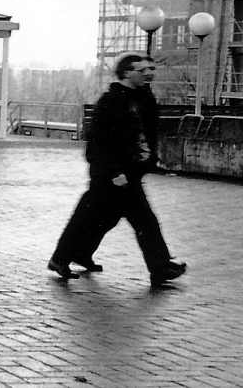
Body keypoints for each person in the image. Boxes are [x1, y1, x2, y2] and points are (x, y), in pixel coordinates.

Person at [48, 53, 188, 287]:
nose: (149, 74)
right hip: (111, 176)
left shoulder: (144, 98)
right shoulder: (110, 102)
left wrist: (150, 159)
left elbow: (147, 132)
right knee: (139, 221)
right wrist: (114, 173)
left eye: (151, 69)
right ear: (126, 73)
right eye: (142, 70)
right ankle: (160, 267)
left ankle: (70, 256)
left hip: (130, 173)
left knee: (99, 220)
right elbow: (97, 143)